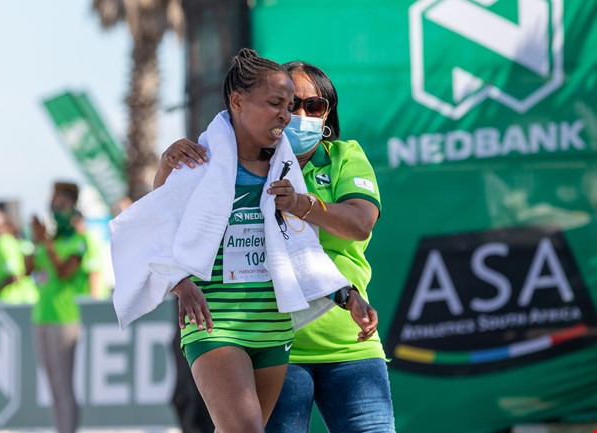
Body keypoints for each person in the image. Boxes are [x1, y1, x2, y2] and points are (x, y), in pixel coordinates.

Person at [111, 48, 376, 433]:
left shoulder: (284, 170)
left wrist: (346, 295)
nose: (286, 115)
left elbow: (301, 250)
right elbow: (152, 229)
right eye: (276, 103)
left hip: (273, 327)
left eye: (289, 105)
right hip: (214, 322)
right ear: (237, 101)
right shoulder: (201, 163)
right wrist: (180, 283)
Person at [27, 182, 87, 433]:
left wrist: (46, 243)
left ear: (72, 207)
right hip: (42, 317)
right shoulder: (47, 241)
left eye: (61, 204)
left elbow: (64, 272)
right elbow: (29, 269)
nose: (55, 209)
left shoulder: (78, 241)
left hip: (64, 319)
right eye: (53, 204)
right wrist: (36, 241)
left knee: (64, 385)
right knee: (52, 385)